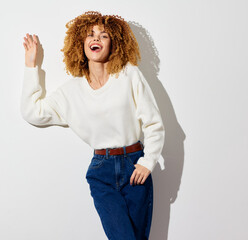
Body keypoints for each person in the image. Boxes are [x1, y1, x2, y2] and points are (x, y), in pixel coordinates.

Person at [21, 11, 165, 240]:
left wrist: (148, 162)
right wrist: (31, 67)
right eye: (90, 34)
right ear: (81, 43)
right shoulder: (72, 91)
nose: (96, 38)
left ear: (114, 44)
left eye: (104, 35)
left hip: (135, 166)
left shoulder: (129, 75)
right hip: (102, 173)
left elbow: (153, 122)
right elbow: (33, 112)